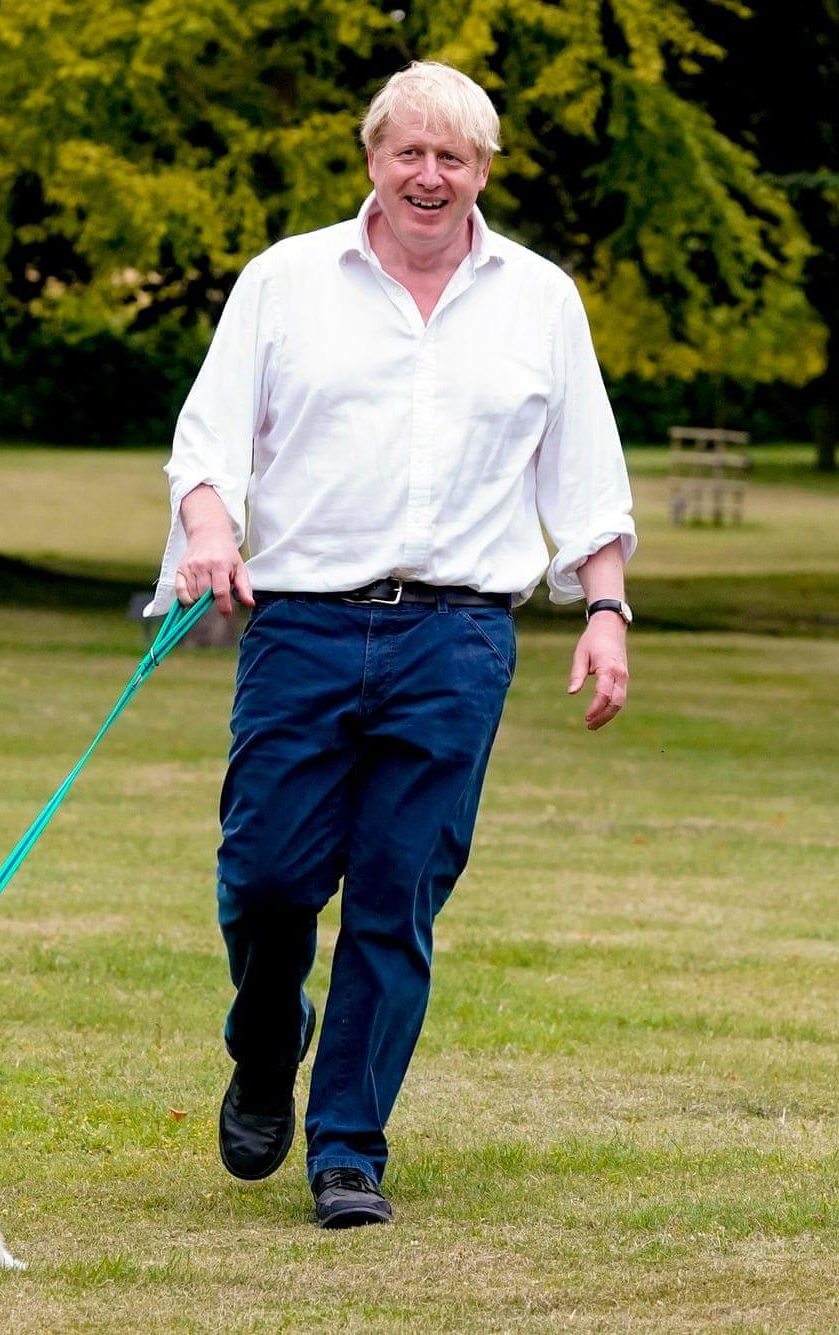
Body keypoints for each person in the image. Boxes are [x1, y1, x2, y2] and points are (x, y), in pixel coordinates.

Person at [145, 60, 634, 1229]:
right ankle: (267, 1047)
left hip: (459, 638)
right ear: (371, 158)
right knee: (266, 880)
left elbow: (585, 475)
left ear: (482, 173)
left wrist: (606, 612)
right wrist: (209, 528)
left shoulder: (540, 299)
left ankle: (348, 1149)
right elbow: (208, 441)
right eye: (408, 152)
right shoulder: (286, 280)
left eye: (452, 158)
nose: (429, 175)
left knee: (396, 894)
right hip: (303, 625)